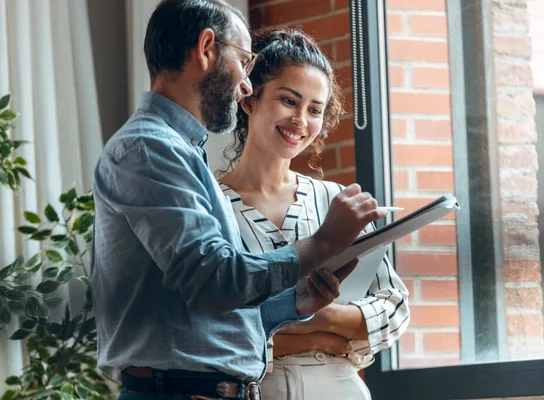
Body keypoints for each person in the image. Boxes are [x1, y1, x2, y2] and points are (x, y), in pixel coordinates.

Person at [91, 1, 386, 399]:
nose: (247, 84)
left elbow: (202, 315)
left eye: (314, 108)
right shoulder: (149, 148)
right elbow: (212, 281)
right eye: (244, 62)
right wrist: (322, 244)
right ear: (206, 48)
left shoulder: (180, 152)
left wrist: (296, 303)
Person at [218, 28, 411, 400]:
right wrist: (328, 336)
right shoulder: (209, 203)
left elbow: (395, 308)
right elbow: (215, 328)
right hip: (253, 389)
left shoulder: (335, 200)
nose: (300, 120)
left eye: (315, 109)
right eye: (289, 101)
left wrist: (323, 320)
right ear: (248, 98)